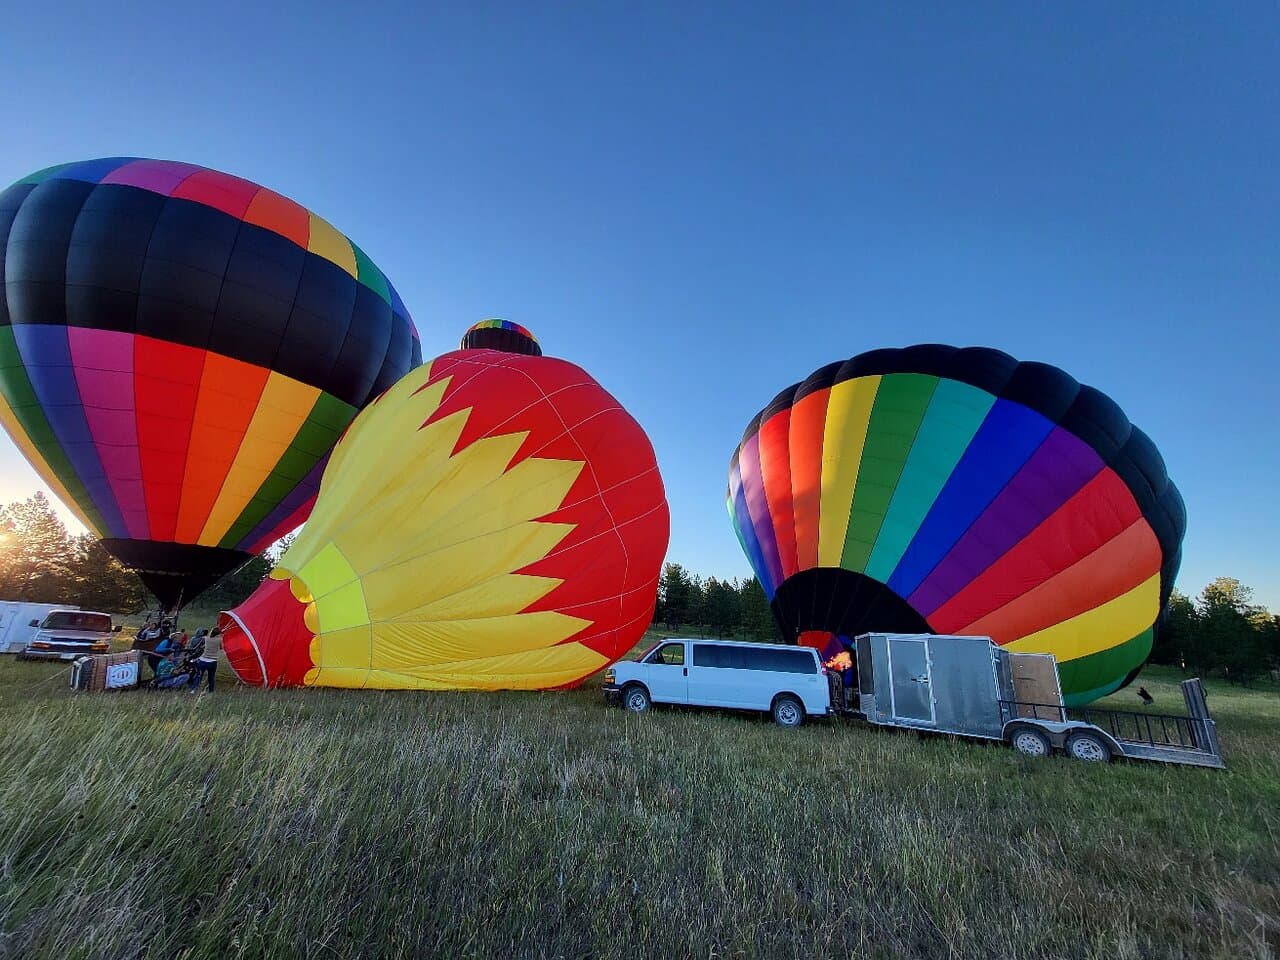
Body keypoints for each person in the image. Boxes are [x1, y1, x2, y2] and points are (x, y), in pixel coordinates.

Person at [188, 627, 221, 692]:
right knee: (211, 677)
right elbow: (221, 647)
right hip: (212, 661)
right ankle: (211, 691)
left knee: (199, 676)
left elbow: (201, 646)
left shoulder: (205, 638)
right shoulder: (219, 640)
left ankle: (193, 690)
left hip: (203, 660)